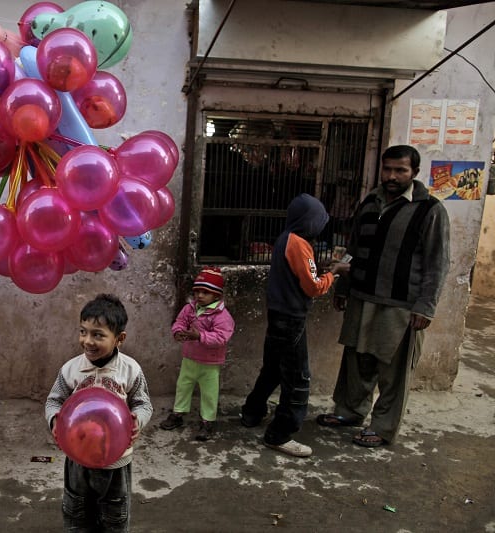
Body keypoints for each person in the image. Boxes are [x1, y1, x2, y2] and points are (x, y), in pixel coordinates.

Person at [317, 145, 450, 448]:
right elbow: (353, 248)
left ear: (414, 173)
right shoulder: (370, 203)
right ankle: (350, 412)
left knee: (393, 372)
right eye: (387, 169)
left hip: (401, 306)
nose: (392, 176)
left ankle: (383, 427)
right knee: (357, 361)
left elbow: (437, 263)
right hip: (362, 296)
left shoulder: (430, 210)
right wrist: (343, 287)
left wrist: (425, 307)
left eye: (400, 170)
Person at [239, 193, 349, 458]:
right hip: (291, 318)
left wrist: (320, 269)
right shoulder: (299, 244)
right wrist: (334, 273)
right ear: (310, 222)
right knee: (298, 378)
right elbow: (313, 287)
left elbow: (300, 273)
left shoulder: (285, 239)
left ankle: (251, 413)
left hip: (278, 314)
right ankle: (280, 433)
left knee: (274, 369)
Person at [45, 294, 153, 532]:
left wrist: (138, 419)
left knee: (114, 515)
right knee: (77, 511)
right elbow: (54, 401)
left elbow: (144, 404)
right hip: (77, 460)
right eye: (83, 331)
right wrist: (55, 420)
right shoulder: (71, 369)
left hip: (115, 461)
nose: (87, 341)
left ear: (119, 339)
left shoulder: (130, 370)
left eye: (98, 335)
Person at [159, 267, 235, 441]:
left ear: (217, 295)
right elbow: (180, 321)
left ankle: (208, 421)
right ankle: (178, 414)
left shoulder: (222, 316)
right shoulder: (190, 309)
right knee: (183, 387)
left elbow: (221, 337)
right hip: (189, 359)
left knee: (209, 393)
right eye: (197, 291)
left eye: (205, 292)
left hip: (210, 363)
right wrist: (178, 332)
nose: (200, 295)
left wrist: (199, 335)